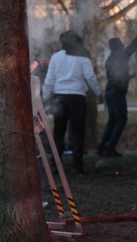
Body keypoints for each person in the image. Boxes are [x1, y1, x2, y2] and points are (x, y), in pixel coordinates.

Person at [43, 30, 103, 174]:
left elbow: (49, 79)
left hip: (60, 98)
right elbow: (90, 77)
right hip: (77, 98)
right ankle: (78, 165)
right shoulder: (83, 58)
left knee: (59, 131)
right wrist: (99, 93)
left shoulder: (56, 57)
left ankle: (56, 165)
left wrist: (45, 97)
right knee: (77, 132)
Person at [97, 18, 137, 158]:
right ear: (119, 46)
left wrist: (129, 76)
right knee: (122, 120)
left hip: (109, 91)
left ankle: (101, 146)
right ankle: (110, 148)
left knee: (112, 121)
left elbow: (115, 76)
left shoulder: (109, 60)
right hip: (117, 93)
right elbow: (135, 43)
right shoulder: (122, 55)